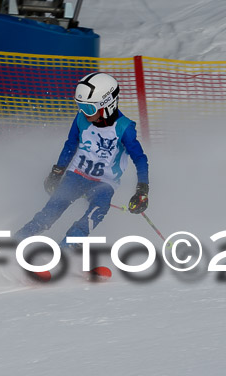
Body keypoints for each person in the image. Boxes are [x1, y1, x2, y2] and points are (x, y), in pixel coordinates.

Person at [15, 72, 150, 247]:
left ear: (106, 105)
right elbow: (71, 145)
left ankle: (66, 250)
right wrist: (57, 172)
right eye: (80, 106)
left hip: (104, 183)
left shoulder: (124, 128)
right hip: (76, 175)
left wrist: (142, 191)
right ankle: (17, 241)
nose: (83, 113)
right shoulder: (81, 119)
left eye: (88, 109)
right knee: (52, 209)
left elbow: (139, 158)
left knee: (95, 213)